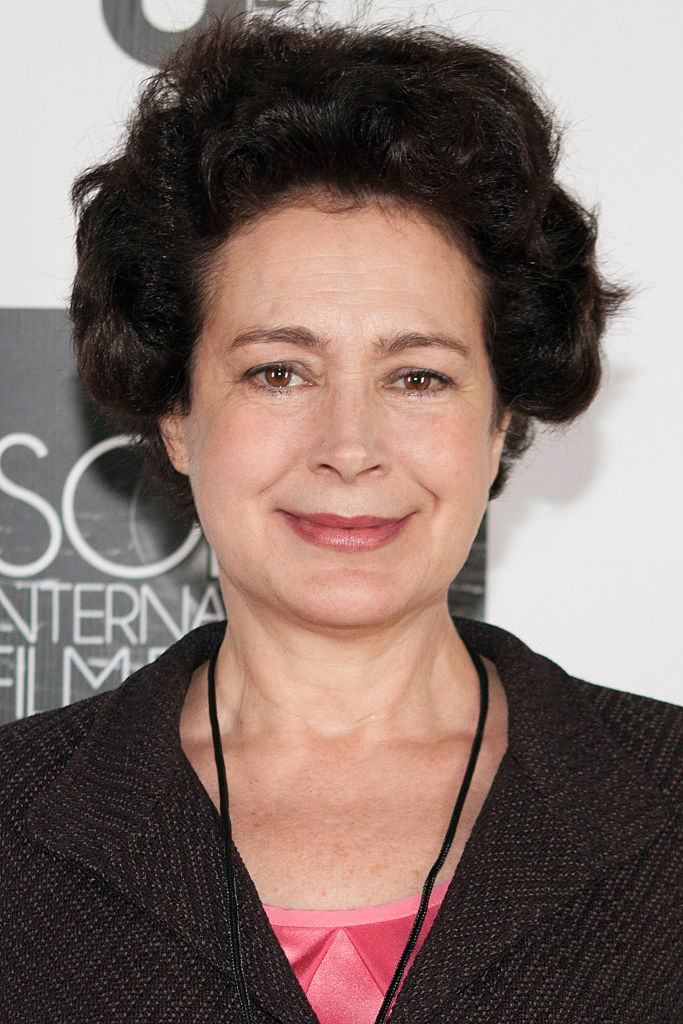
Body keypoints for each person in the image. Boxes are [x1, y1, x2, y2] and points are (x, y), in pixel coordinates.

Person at [1, 12, 680, 1024]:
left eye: (417, 375)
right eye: (278, 371)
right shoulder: (17, 825)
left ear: (499, 420)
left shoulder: (662, 805)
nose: (349, 443)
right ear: (177, 414)